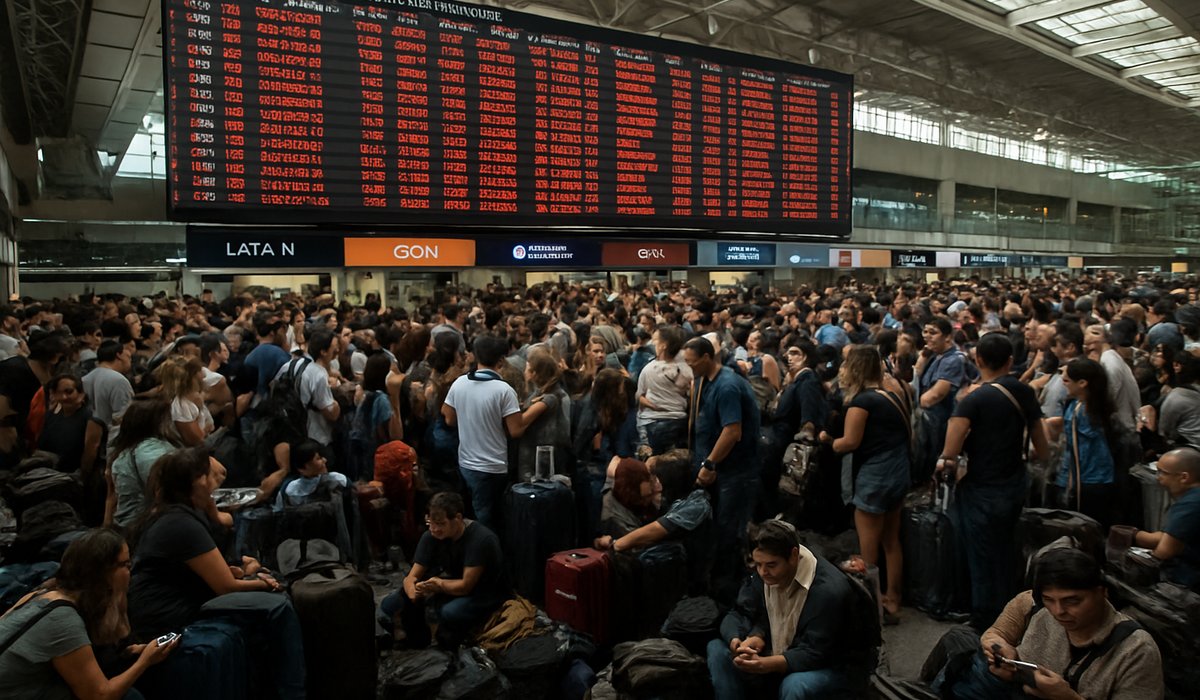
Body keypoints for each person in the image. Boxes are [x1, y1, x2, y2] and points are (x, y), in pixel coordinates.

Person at [126, 446, 306, 699]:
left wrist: (242, 573)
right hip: (167, 615)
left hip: (175, 602)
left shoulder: (173, 512)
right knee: (278, 606)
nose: (215, 484)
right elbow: (226, 587)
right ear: (198, 481)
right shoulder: (180, 522)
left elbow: (215, 570)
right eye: (209, 478)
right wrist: (268, 584)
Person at [938, 333, 1049, 631]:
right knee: (1006, 548)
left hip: (981, 487)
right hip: (1014, 483)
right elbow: (1042, 445)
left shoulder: (972, 400)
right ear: (1010, 361)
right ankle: (1011, 608)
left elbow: (950, 449)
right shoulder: (1023, 391)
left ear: (978, 360)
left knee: (981, 554)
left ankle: (985, 617)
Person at [953, 548, 1163, 700]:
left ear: (1102, 592)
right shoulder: (1031, 603)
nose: (1058, 611)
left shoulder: (1136, 650)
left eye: (1072, 601)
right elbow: (996, 633)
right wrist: (998, 650)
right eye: (1049, 600)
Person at [0, 528, 178, 700]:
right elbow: (99, 695)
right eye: (125, 564)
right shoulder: (62, 619)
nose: (129, 571)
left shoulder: (40, 594)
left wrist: (127, 653)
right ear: (102, 573)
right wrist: (145, 661)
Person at [705, 519, 873, 700]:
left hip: (833, 667)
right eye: (758, 565)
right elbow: (739, 612)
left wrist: (766, 664)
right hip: (781, 650)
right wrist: (740, 640)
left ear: (793, 556)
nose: (762, 572)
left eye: (771, 565)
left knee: (795, 685)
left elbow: (815, 653)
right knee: (717, 649)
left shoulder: (828, 592)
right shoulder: (764, 573)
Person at [823, 346, 910, 622]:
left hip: (874, 478)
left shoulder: (861, 402)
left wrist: (829, 441)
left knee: (868, 548)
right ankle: (893, 599)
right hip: (898, 474)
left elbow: (850, 442)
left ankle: (869, 610)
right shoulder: (892, 395)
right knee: (891, 542)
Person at [380, 492, 510, 648]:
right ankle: (417, 638)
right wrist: (412, 592)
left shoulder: (481, 540)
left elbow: (465, 586)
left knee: (449, 611)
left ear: (458, 518)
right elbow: (411, 577)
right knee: (391, 603)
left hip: (484, 591)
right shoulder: (430, 536)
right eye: (430, 524)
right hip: (454, 582)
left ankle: (457, 639)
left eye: (441, 524)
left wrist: (439, 585)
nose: (434, 529)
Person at [684, 336, 761, 599]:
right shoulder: (703, 381)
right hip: (721, 471)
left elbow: (732, 431)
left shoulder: (727, 386)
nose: (689, 368)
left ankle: (732, 591)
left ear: (707, 358)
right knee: (719, 528)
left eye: (692, 363)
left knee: (731, 531)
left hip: (736, 471)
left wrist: (709, 463)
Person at [442, 334, 529, 533]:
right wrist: (535, 410)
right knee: (488, 523)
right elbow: (516, 430)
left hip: (465, 462)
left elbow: (448, 417)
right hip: (493, 467)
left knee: (471, 516)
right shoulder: (504, 390)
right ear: (501, 361)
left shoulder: (460, 383)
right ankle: (488, 558)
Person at [1046, 358, 1118, 528]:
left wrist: (1067, 483)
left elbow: (1078, 454)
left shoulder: (1081, 411)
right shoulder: (1093, 405)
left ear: (1082, 383)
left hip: (1086, 481)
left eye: (1066, 381)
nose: (1064, 385)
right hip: (1100, 477)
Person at [1128, 447, 1200, 590]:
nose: (1158, 477)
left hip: (1190, 580)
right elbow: (1170, 536)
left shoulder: (1191, 504)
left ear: (1184, 477)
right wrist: (1134, 534)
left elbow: (1165, 551)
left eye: (1163, 473)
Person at [106, 398, 178, 529]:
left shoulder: (124, 451)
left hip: (126, 524)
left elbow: (111, 498)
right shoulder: (149, 451)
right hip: (145, 525)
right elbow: (165, 491)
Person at [272, 327, 342, 449]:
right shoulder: (319, 374)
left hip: (287, 432)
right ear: (323, 351)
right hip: (315, 436)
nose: (337, 350)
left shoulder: (291, 364)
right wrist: (336, 400)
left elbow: (273, 385)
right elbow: (331, 414)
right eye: (334, 347)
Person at [516, 346, 572, 482]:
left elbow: (521, 421)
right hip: (533, 457)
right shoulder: (539, 393)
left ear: (535, 373)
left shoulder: (550, 398)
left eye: (527, 368)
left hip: (539, 461)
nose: (524, 371)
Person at [635, 325, 692, 455]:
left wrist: (655, 405)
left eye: (655, 340)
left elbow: (640, 396)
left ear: (664, 345)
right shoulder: (687, 369)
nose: (652, 343)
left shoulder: (649, 370)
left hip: (654, 421)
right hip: (680, 421)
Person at [38, 373, 101, 476]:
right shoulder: (51, 415)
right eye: (59, 392)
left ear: (81, 393)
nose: (64, 397)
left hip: (75, 478)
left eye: (69, 392)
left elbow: (90, 453)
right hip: (49, 475)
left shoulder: (91, 418)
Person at [156, 356, 213, 447]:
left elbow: (210, 425)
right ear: (193, 377)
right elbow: (196, 440)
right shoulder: (181, 406)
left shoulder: (195, 398)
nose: (204, 375)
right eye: (200, 371)